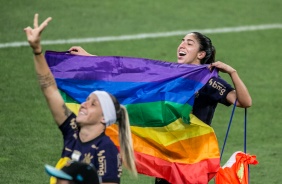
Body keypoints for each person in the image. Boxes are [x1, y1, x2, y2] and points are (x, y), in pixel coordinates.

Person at [69, 32, 252, 184]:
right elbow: (130, 73)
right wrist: (89, 58)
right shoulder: (171, 74)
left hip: (191, 159)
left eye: (189, 43)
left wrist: (232, 72)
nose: (182, 46)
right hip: (167, 152)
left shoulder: (208, 80)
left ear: (201, 54)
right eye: (182, 42)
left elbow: (244, 102)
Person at [24, 14, 137, 184]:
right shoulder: (72, 131)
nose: (84, 104)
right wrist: (37, 50)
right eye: (87, 100)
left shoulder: (106, 150)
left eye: (93, 104)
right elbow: (50, 89)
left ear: (104, 118)